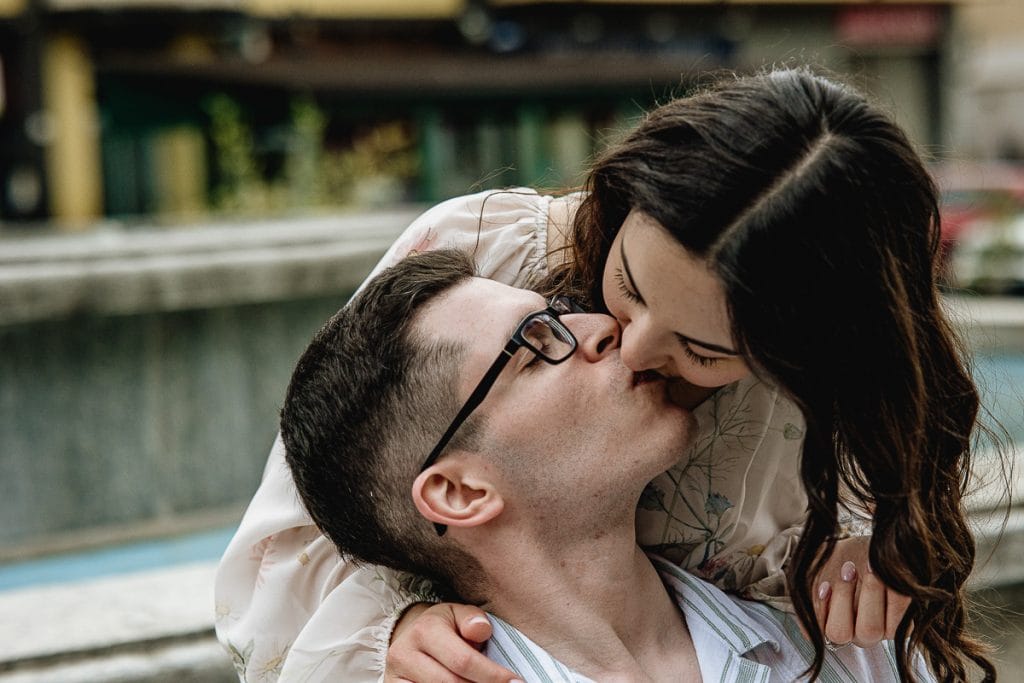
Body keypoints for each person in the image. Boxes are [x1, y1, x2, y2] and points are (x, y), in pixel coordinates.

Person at [215, 67, 998, 682]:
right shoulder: (494, 259)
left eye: (704, 349)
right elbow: (337, 492)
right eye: (629, 283)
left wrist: (859, 546)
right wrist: (390, 631)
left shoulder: (829, 415)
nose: (629, 345)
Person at [280, 247, 934, 682]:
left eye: (561, 313)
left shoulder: (852, 648)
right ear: (459, 490)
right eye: (536, 346)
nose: (604, 327)